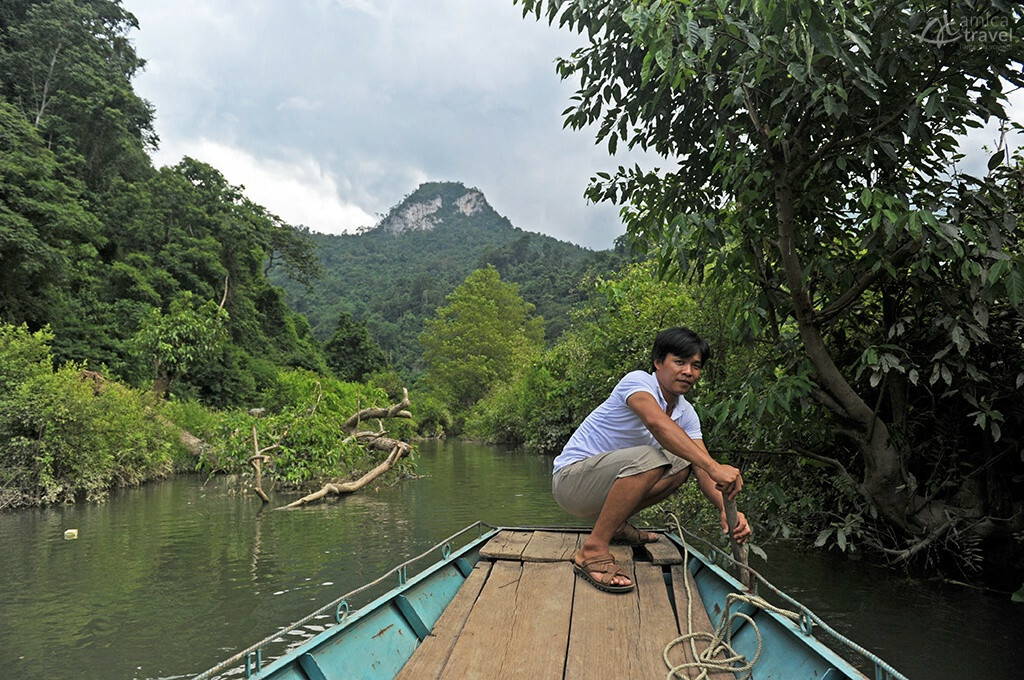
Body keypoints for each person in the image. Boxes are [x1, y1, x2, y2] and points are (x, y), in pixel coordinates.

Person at [551, 326, 750, 593]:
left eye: (696, 366)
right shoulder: (638, 382)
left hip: (604, 488)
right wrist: (715, 467)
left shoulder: (686, 413)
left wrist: (729, 512)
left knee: (684, 463)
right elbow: (657, 423)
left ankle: (617, 525)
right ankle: (593, 550)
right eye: (679, 362)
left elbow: (703, 468)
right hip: (570, 482)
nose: (688, 372)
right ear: (658, 363)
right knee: (652, 457)